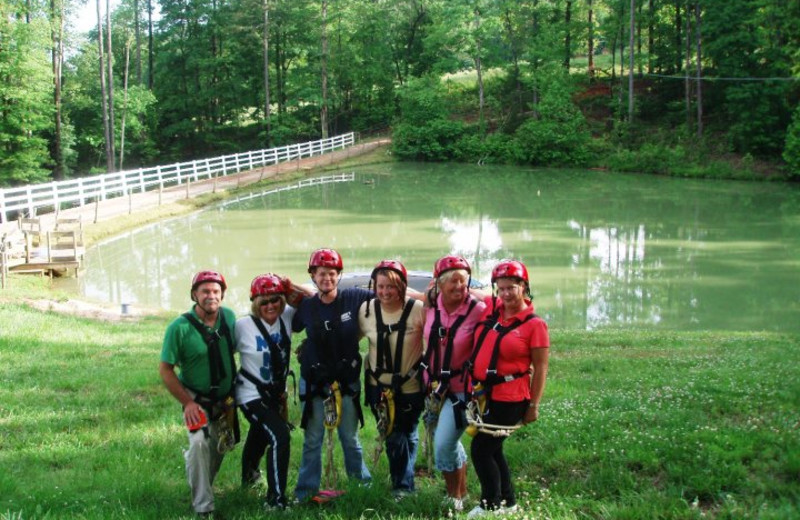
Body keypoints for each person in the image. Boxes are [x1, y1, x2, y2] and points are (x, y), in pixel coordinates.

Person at [466, 260, 549, 519]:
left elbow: (541, 368)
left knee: (481, 449)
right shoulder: (494, 310)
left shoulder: (535, 325)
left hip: (511, 398)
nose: (505, 294)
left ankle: (490, 505)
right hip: (485, 395)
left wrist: (533, 406)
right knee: (494, 448)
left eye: (511, 288)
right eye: (500, 289)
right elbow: (471, 291)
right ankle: (509, 501)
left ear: (524, 286)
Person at [292, 248, 372, 501]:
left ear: (339, 275)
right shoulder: (305, 307)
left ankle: (362, 486)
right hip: (315, 381)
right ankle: (305, 492)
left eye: (332, 273)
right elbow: (287, 317)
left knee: (350, 438)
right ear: (313, 276)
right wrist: (289, 286)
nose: (327, 278)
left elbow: (390, 294)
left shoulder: (354, 297)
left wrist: (430, 296)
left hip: (345, 381)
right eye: (321, 273)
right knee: (313, 440)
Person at [159, 270, 238, 518]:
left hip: (225, 400)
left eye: (215, 291)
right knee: (199, 443)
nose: (210, 296)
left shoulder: (230, 318)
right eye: (205, 291)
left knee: (221, 446)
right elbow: (166, 370)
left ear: (222, 294)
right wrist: (188, 403)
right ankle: (204, 507)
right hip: (196, 400)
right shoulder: (179, 328)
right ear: (194, 294)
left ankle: (197, 471)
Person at [420, 255, 486, 512]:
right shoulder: (429, 305)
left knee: (444, 444)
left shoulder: (478, 309)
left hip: (461, 390)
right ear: (439, 283)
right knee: (446, 441)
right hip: (434, 388)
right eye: (454, 282)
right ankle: (462, 491)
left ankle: (453, 497)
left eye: (464, 281)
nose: (460, 287)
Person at [234, 273, 300, 510]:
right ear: (255, 304)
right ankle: (277, 501)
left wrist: (291, 286)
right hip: (250, 394)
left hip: (275, 395)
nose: (270, 306)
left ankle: (249, 477)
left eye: (275, 300)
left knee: (260, 434)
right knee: (279, 436)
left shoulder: (288, 317)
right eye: (264, 302)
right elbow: (218, 352)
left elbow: (314, 304)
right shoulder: (242, 326)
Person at [359, 260, 425, 498]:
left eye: (392, 287)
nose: (386, 292)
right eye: (381, 286)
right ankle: (404, 487)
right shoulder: (366, 310)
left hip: (411, 386)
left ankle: (404, 478)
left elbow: (437, 337)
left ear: (402, 287)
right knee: (392, 434)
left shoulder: (418, 309)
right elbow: (348, 339)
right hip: (379, 387)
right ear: (374, 286)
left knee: (408, 431)